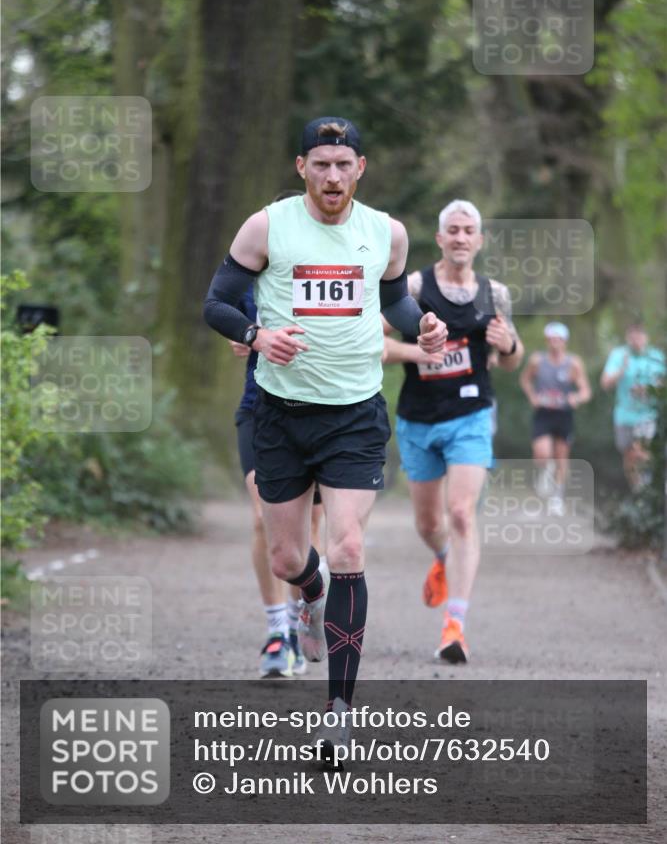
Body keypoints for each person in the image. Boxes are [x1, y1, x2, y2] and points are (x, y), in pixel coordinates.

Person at [203, 116, 447, 758]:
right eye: (321, 163)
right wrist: (258, 336)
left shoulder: (386, 233)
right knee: (289, 559)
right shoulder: (267, 226)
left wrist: (421, 325)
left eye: (343, 164)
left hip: (354, 415)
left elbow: (392, 300)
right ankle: (308, 597)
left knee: (346, 545)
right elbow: (218, 302)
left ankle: (339, 712)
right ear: (301, 168)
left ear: (360, 169)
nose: (332, 175)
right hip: (281, 413)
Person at [383, 200, 523, 664]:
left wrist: (512, 346)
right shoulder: (416, 286)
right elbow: (377, 343)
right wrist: (418, 354)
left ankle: (454, 626)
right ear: (440, 238)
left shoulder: (495, 294)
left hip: (471, 415)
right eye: (453, 231)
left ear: (479, 241)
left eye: (469, 231)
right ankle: (444, 556)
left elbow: (508, 360)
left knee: (462, 512)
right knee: (428, 523)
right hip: (418, 417)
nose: (462, 238)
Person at [231, 278, 326, 679]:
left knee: (308, 526)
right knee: (261, 518)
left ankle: (301, 613)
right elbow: (235, 325)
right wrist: (242, 338)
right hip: (260, 410)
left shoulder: (329, 271)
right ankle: (277, 632)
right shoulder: (248, 275)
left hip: (323, 412)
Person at [519, 322, 591, 513]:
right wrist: (533, 397)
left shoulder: (573, 363)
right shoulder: (537, 360)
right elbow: (525, 380)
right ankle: (545, 469)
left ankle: (557, 498)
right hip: (543, 413)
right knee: (542, 453)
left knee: (561, 457)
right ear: (547, 341)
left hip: (564, 414)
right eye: (551, 339)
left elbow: (585, 390)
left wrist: (577, 398)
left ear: (565, 341)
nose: (555, 343)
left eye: (559, 339)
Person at [601, 322, 665, 492]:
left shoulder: (656, 356)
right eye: (633, 336)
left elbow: (663, 383)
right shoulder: (619, 355)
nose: (636, 340)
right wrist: (621, 370)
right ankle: (637, 489)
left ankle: (647, 486)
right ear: (627, 338)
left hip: (646, 414)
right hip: (624, 415)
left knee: (641, 451)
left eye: (640, 336)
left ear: (646, 337)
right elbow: (605, 383)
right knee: (629, 455)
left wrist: (650, 390)